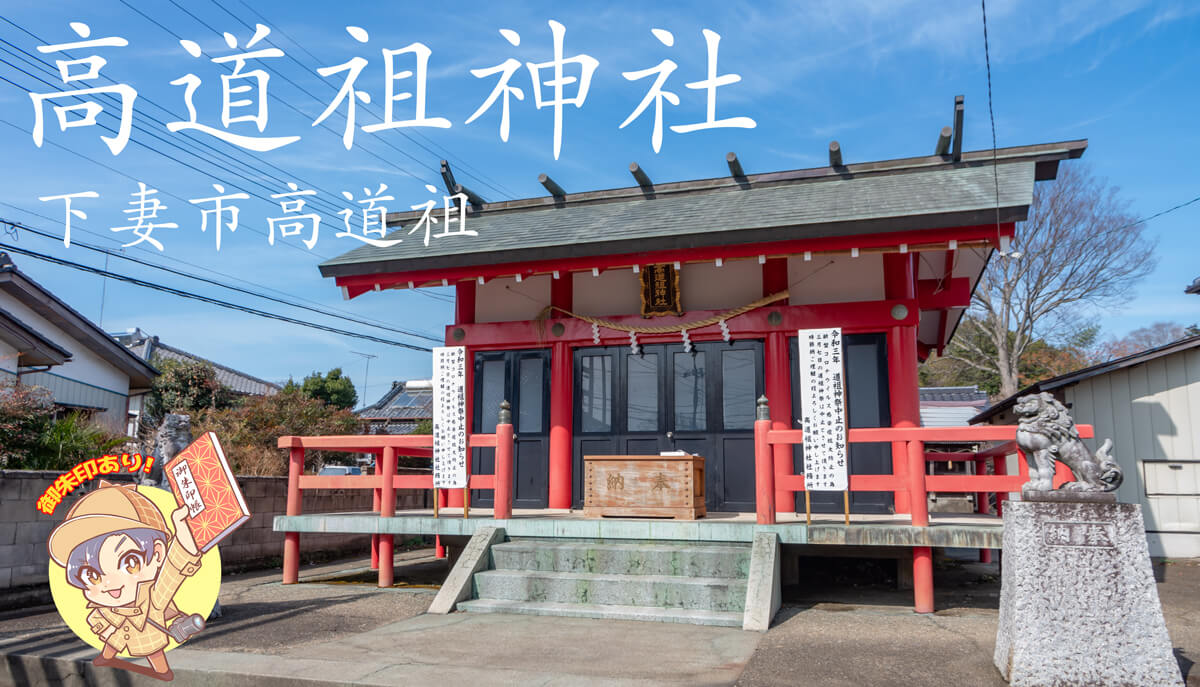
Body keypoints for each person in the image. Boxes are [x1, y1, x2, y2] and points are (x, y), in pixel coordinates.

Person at [47, 480, 203, 681]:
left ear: (157, 554)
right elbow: (99, 617)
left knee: (152, 648)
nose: (109, 582)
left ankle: (162, 671)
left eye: (129, 563)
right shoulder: (107, 605)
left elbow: (174, 569)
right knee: (113, 640)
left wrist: (183, 535)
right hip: (118, 626)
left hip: (147, 629)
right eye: (92, 575)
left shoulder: (153, 596)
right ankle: (106, 657)